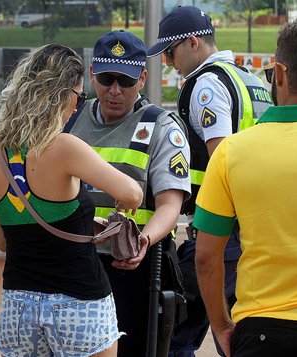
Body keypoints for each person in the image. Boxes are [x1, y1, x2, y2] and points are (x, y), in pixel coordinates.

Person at [0, 43, 143, 356]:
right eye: (79, 96)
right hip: (78, 303)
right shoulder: (64, 147)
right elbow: (131, 193)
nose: (78, 105)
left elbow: (4, 241)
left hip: (18, 307)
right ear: (61, 94)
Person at [144, 6, 274, 356]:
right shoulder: (249, 80)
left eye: (170, 52)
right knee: (233, 327)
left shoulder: (207, 85)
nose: (169, 62)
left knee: (181, 328)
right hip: (253, 222)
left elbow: (222, 161)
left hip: (224, 228)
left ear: (192, 43)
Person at [64, 30, 191, 357]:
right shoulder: (71, 118)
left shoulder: (162, 126)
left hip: (134, 270)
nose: (115, 91)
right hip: (76, 266)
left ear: (143, 78)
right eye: (106, 79)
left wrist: (144, 241)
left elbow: (170, 205)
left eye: (127, 80)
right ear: (92, 75)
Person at [193, 19, 297, 356]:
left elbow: (206, 258)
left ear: (279, 74)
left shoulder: (232, 151)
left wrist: (221, 325)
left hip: (264, 331)